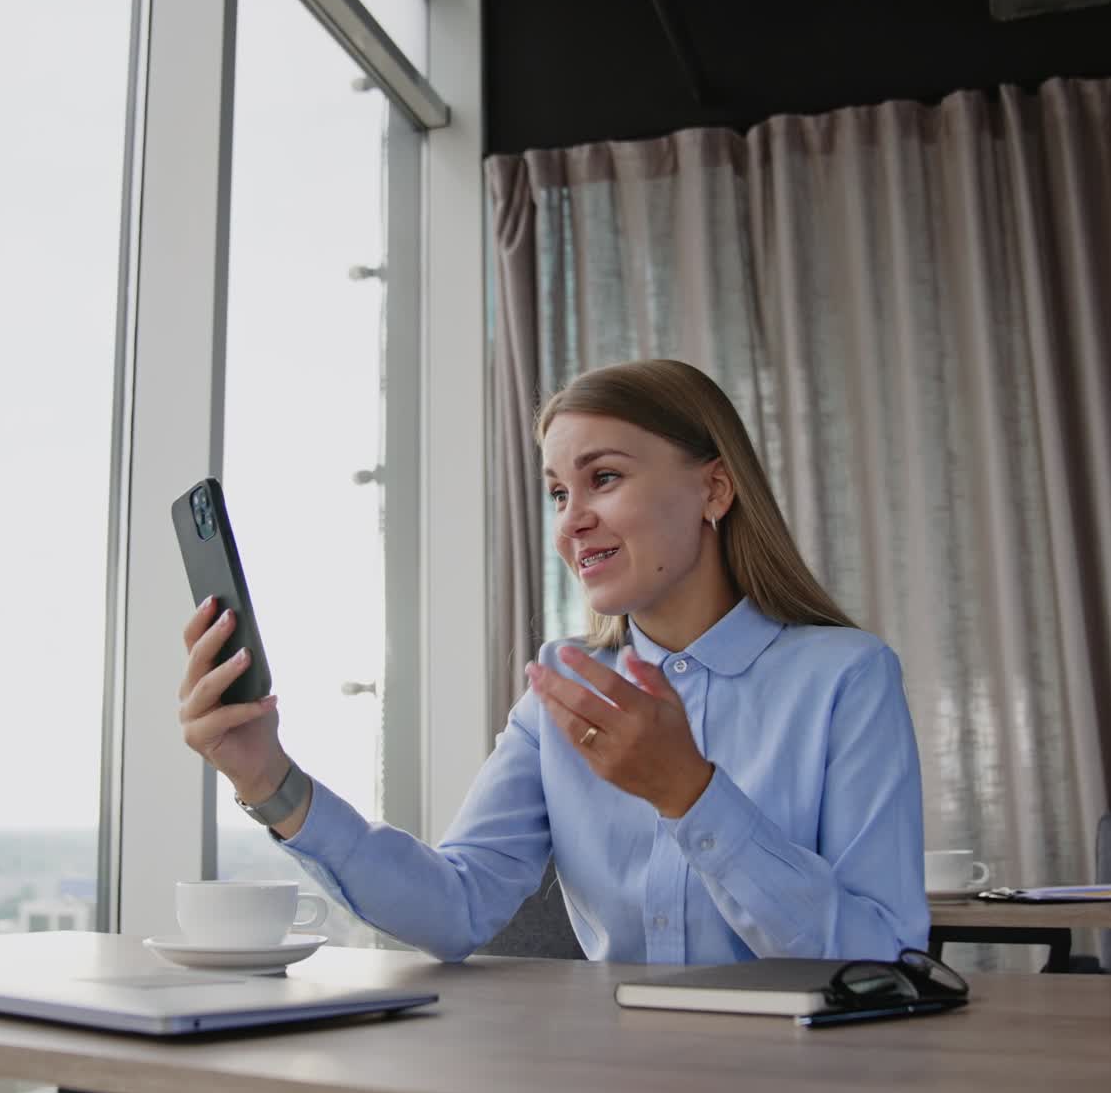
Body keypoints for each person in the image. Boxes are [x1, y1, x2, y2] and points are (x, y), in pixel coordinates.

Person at [179, 358, 929, 965]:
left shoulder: (847, 679)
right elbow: (457, 905)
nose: (572, 522)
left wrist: (691, 796)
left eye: (604, 478)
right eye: (557, 493)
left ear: (715, 488)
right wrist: (269, 781)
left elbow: (885, 960)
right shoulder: (560, 693)